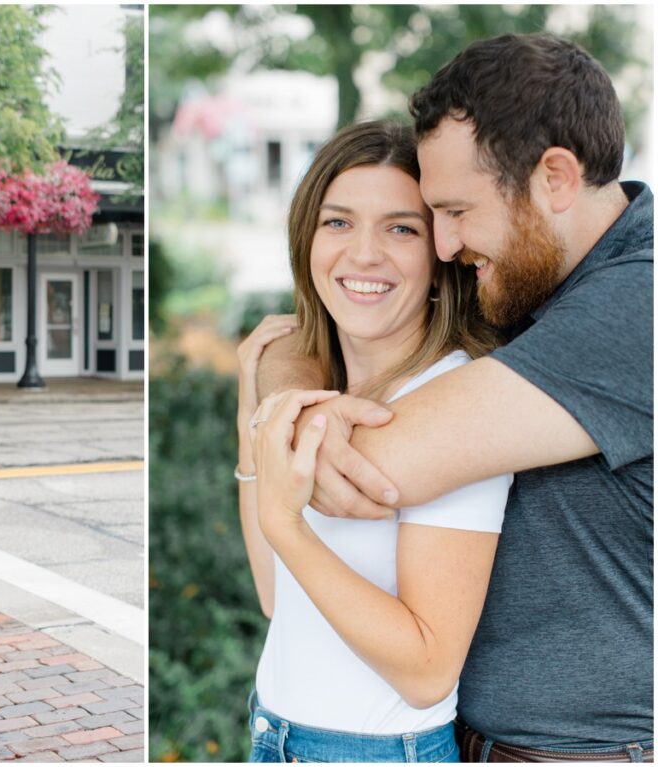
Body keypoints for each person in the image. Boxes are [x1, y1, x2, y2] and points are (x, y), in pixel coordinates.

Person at [258, 33, 653, 761]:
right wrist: (286, 372)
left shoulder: (637, 305)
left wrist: (274, 401)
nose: (444, 246)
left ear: (556, 178)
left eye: (454, 211)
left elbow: (368, 464)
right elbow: (293, 346)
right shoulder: (546, 283)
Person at [237, 120, 512, 763]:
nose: (363, 254)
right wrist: (255, 423)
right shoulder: (319, 392)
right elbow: (279, 599)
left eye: (400, 228)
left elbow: (427, 671)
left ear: (442, 257)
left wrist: (287, 523)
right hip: (275, 730)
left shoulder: (454, 403)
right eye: (337, 222)